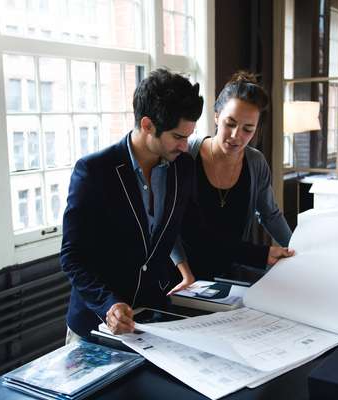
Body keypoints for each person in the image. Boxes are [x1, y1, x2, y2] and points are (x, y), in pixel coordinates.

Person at [60, 69, 203, 339]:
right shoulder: (93, 171)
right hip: (95, 324)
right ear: (147, 125)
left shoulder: (182, 167)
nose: (185, 146)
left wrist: (261, 255)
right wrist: (108, 304)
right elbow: (72, 257)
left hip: (154, 320)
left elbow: (193, 230)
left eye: (188, 136)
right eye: (177, 137)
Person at [175, 71, 294, 282]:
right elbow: (171, 226)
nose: (235, 136)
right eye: (230, 123)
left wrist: (298, 252)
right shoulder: (185, 156)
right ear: (216, 116)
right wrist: (185, 273)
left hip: (231, 272)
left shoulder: (256, 162)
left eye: (248, 129)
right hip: (183, 276)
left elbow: (270, 215)